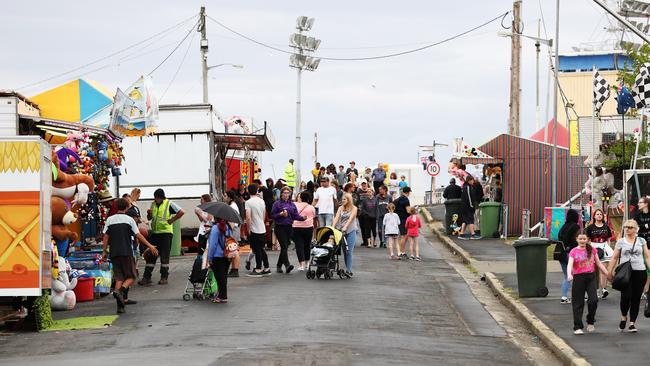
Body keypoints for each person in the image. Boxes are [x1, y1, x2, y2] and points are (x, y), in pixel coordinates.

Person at [103, 198, 158, 313]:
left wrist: (104, 250)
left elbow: (106, 237)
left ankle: (120, 306)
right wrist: (150, 245)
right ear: (127, 208)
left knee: (119, 277)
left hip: (114, 252)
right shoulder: (129, 220)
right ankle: (120, 291)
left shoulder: (109, 219)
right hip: (126, 252)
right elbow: (138, 235)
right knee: (131, 276)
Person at [607, 219, 650, 332]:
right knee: (626, 296)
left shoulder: (641, 240)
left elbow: (647, 256)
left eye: (630, 227)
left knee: (636, 298)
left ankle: (632, 323)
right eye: (626, 227)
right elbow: (615, 257)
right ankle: (623, 316)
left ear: (636, 229)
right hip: (625, 273)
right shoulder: (621, 241)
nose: (627, 229)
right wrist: (609, 271)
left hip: (640, 272)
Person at [139, 189, 184, 286]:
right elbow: (150, 218)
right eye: (156, 198)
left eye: (159, 198)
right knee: (151, 254)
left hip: (166, 233)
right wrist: (149, 214)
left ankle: (164, 277)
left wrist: (172, 220)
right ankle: (146, 277)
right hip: (155, 233)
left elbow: (181, 212)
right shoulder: (153, 204)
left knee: (164, 256)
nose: (158, 200)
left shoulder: (169, 203)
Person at [567, 234, 609, 334]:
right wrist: (569, 274)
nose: (582, 240)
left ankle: (590, 321)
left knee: (593, 300)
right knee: (578, 302)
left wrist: (608, 274)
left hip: (591, 277)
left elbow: (598, 264)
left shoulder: (592, 250)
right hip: (578, 278)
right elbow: (570, 264)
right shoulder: (573, 251)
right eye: (580, 239)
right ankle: (577, 326)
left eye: (584, 239)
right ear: (577, 239)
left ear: (587, 240)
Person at [271, 187, 306, 273]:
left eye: (288, 193)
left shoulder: (292, 204)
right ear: (281, 194)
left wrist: (302, 218)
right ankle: (287, 265)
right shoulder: (277, 204)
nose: (286, 194)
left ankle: (279, 265)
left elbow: (295, 215)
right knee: (284, 246)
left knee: (285, 247)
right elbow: (272, 215)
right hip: (280, 227)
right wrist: (280, 214)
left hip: (289, 227)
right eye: (285, 193)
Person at [585, 208, 616, 298]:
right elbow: (587, 240)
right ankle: (594, 290)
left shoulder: (606, 227)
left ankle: (604, 289)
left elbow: (609, 238)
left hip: (604, 248)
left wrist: (608, 247)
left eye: (600, 214)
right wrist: (588, 249)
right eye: (597, 214)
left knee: (603, 270)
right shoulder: (590, 227)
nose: (599, 216)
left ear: (603, 216)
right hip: (593, 248)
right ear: (594, 216)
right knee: (593, 271)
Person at [245, 184, 272, 277]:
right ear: (257, 191)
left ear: (248, 191)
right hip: (262, 227)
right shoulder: (262, 201)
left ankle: (258, 269)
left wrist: (248, 229)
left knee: (257, 250)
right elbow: (264, 214)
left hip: (254, 228)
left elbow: (248, 217)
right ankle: (267, 267)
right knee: (261, 249)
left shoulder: (248, 202)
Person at [557, 209, 581, 304]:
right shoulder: (575, 227)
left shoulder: (563, 227)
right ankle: (578, 296)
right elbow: (576, 241)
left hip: (561, 254)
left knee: (567, 276)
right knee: (578, 276)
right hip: (571, 254)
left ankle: (564, 297)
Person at [206, 219, 232, 303]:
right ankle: (221, 295)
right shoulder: (228, 227)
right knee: (223, 277)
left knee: (219, 278)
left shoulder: (215, 228)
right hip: (227, 255)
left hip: (217, 256)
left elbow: (213, 245)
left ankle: (222, 297)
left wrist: (209, 258)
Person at [333, 193, 358, 277]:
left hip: (351, 230)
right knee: (344, 251)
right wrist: (332, 228)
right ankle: (347, 268)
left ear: (349, 200)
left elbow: (351, 219)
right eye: (342, 199)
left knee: (349, 251)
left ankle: (349, 270)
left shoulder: (354, 208)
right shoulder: (340, 208)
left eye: (344, 199)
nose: (342, 201)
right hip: (342, 232)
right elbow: (336, 218)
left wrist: (346, 226)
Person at [293, 191, 316, 271]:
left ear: (300, 198)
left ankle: (301, 264)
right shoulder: (311, 207)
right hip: (308, 227)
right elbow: (314, 216)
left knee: (299, 246)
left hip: (296, 227)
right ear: (309, 199)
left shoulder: (295, 205)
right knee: (307, 245)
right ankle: (307, 263)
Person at [633, 196, 650, 296]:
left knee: (648, 266)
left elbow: (640, 227)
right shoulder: (638, 215)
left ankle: (646, 289)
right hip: (640, 242)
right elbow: (635, 227)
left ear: (646, 203)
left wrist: (642, 227)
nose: (638, 204)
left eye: (640, 202)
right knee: (641, 266)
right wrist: (646, 227)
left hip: (648, 242)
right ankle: (643, 289)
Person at [224, 190, 242, 277]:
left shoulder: (232, 206)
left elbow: (232, 221)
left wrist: (228, 234)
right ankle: (234, 269)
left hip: (233, 229)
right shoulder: (232, 205)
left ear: (229, 197)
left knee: (234, 249)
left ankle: (235, 270)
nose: (224, 197)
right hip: (235, 229)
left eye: (225, 196)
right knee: (233, 249)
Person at [394, 186, 412, 257]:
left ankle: (402, 251)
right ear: (408, 192)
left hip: (399, 219)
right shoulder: (406, 200)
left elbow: (392, 206)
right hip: (405, 219)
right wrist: (413, 211)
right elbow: (408, 211)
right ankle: (402, 251)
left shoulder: (398, 199)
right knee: (404, 236)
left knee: (403, 236)